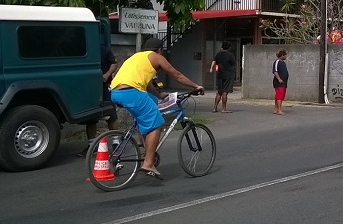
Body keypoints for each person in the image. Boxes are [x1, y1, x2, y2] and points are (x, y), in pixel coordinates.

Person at [110, 38, 203, 179]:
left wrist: (159, 95)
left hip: (116, 93)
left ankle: (145, 145)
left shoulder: (136, 57)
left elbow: (146, 83)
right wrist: (196, 86)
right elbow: (176, 75)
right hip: (131, 93)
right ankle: (148, 163)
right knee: (157, 123)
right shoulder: (156, 57)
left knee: (151, 107)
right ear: (159, 50)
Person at [77, 44, 119, 157]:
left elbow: (114, 63)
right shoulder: (83, 50)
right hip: (91, 87)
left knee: (111, 114)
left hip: (105, 86)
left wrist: (107, 74)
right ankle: (92, 146)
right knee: (91, 116)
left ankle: (116, 144)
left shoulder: (103, 49)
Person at [209, 41, 236, 113]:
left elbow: (214, 62)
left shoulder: (218, 54)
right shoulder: (231, 55)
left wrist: (211, 68)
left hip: (220, 74)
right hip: (228, 75)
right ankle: (224, 109)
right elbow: (233, 64)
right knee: (225, 92)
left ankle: (215, 108)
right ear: (229, 47)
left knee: (219, 92)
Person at [272, 49, 289, 115]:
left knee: (280, 95)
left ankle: (276, 109)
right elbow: (275, 71)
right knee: (279, 95)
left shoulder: (283, 62)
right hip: (279, 83)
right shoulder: (277, 62)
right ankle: (279, 110)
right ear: (282, 55)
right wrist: (279, 79)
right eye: (285, 55)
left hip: (284, 82)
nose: (286, 56)